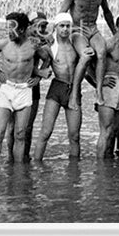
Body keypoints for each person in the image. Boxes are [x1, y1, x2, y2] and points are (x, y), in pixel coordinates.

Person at [0, 12, 45, 166]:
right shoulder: (3, 43)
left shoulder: (33, 45)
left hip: (25, 90)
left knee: (20, 134)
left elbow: (47, 59)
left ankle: (18, 172)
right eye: (7, 27)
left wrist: (38, 77)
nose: (9, 31)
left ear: (23, 29)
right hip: (7, 89)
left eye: (12, 28)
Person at [33, 13, 94, 160]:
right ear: (56, 27)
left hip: (74, 89)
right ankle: (35, 165)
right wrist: (38, 74)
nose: (65, 29)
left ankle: (74, 173)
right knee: (45, 132)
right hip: (57, 88)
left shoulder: (76, 45)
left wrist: (98, 84)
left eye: (68, 26)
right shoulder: (50, 47)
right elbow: (30, 59)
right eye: (62, 26)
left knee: (74, 135)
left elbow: (86, 69)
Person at [59, 0, 116, 103]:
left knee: (102, 53)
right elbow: (61, 13)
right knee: (86, 55)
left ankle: (99, 91)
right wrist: (60, 36)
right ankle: (74, 92)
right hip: (78, 29)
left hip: (93, 28)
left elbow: (107, 12)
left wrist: (115, 32)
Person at [5, 11, 50, 162]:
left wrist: (38, 77)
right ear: (30, 25)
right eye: (40, 25)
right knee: (12, 128)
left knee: (27, 127)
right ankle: (11, 157)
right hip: (14, 85)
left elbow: (47, 59)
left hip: (31, 87)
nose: (42, 29)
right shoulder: (16, 38)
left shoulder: (37, 42)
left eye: (44, 26)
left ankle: (24, 157)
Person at [96, 14, 119, 158]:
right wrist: (100, 83)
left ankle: (109, 165)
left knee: (116, 129)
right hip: (109, 83)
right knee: (106, 130)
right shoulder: (109, 44)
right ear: (116, 28)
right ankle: (100, 165)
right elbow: (90, 65)